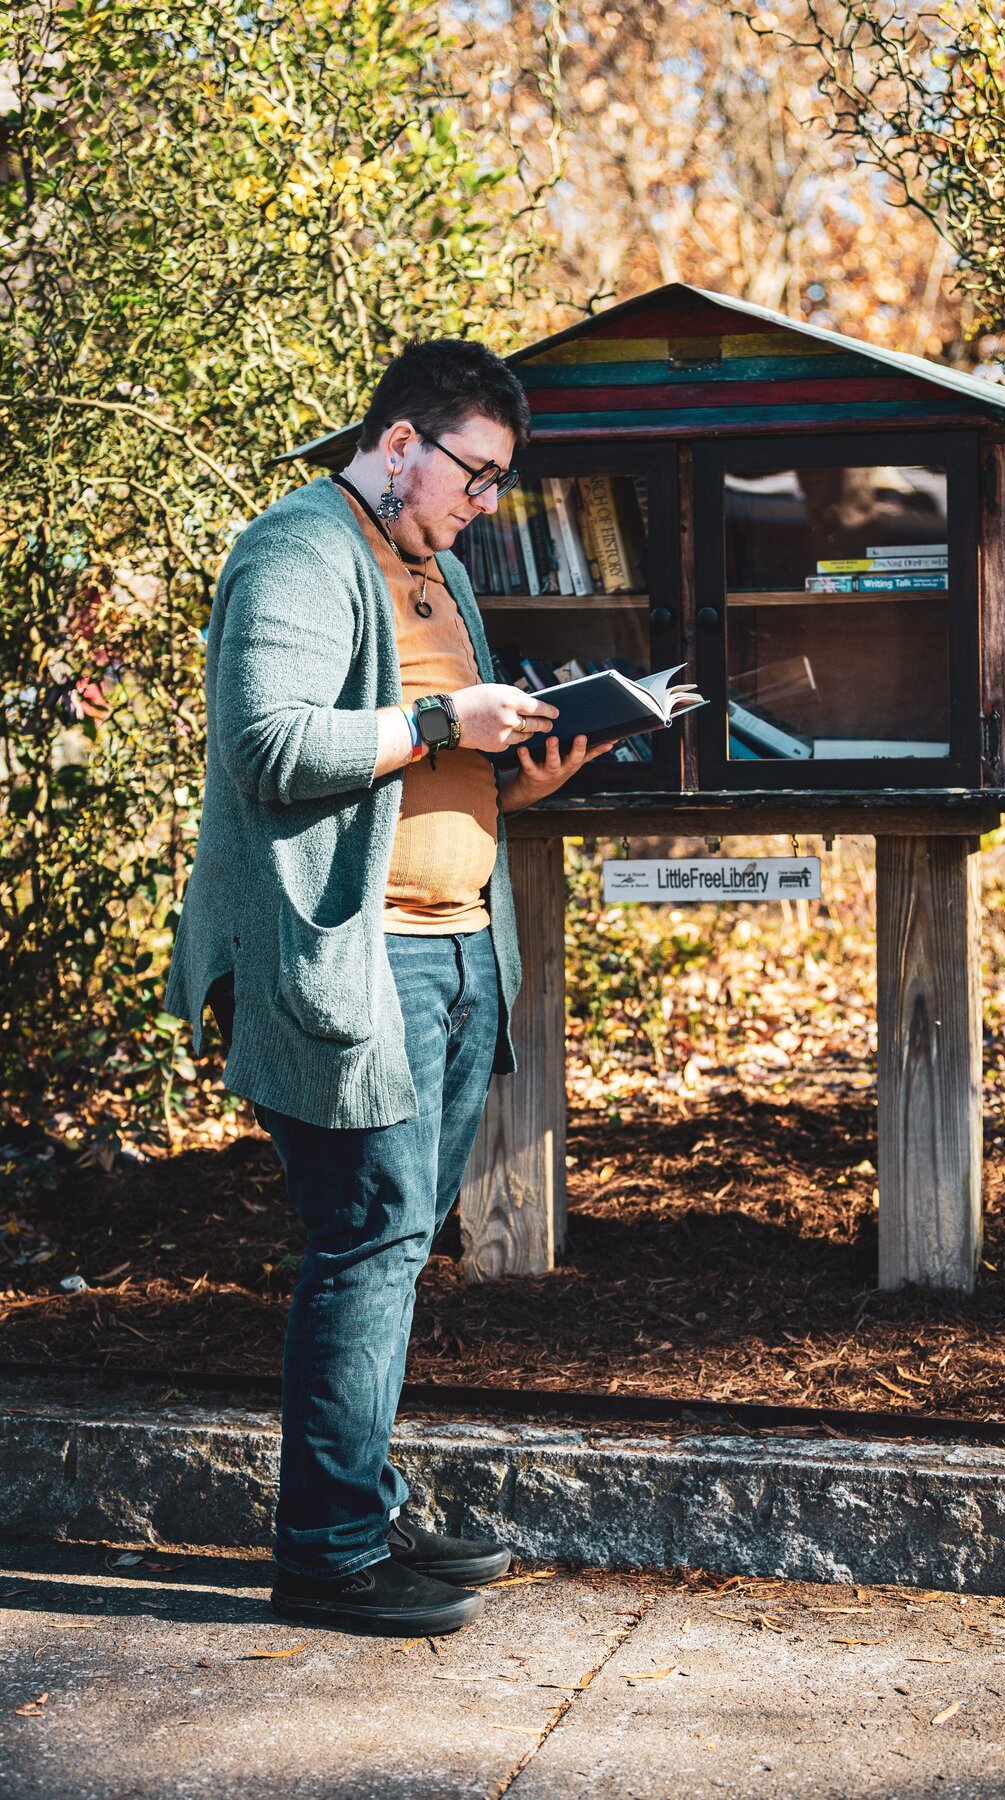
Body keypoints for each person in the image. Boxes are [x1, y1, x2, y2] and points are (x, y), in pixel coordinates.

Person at [164, 339, 606, 1636]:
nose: (483, 503)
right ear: (401, 441)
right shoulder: (301, 549)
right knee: (365, 1239)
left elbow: (439, 762)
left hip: (462, 947)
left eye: (497, 483)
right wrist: (440, 726)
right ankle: (330, 1559)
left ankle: (358, 1518)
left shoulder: (443, 572)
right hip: (354, 961)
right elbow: (268, 744)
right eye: (474, 473)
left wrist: (519, 769)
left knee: (394, 1244)